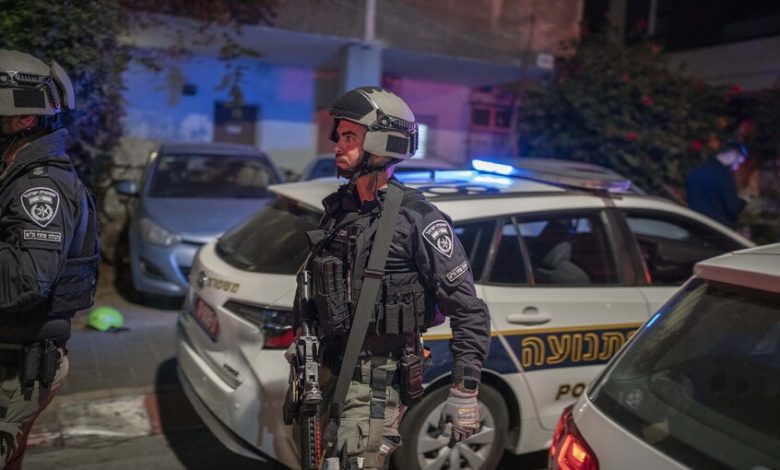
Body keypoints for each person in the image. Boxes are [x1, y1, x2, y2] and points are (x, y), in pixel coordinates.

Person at [288, 86, 490, 470]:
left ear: (382, 143)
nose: (337, 145)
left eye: (350, 136)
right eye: (339, 135)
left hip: (378, 378)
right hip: (328, 366)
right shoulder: (341, 210)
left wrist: (465, 390)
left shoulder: (418, 221)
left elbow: (469, 310)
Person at [0, 49, 100, 469]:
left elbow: (28, 280)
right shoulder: (18, 174)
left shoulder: (39, 188)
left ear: (25, 117)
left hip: (15, 367)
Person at [685, 141, 748, 229]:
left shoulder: (697, 170)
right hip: (716, 229)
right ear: (732, 156)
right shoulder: (724, 175)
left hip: (693, 224)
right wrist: (744, 200)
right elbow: (733, 208)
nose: (737, 167)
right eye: (738, 162)